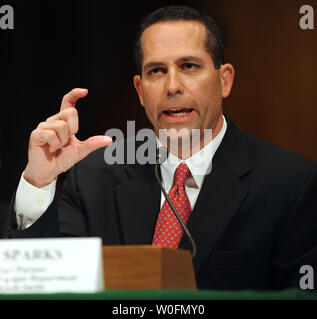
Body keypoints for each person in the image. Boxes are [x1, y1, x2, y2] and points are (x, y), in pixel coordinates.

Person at [4, 6, 317, 291]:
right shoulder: (95, 177)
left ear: (224, 80)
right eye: (156, 71)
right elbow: (43, 287)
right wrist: (39, 182)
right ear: (141, 91)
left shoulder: (291, 184)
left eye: (189, 66)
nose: (172, 86)